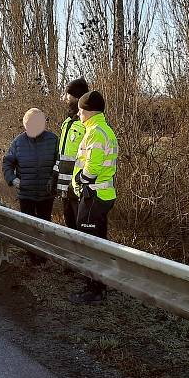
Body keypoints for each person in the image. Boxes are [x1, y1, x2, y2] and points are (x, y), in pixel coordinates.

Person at [70, 90, 118, 304]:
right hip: (101, 195)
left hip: (94, 196)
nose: (78, 114)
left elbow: (93, 166)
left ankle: (94, 290)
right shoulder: (103, 129)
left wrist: (81, 179)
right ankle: (98, 286)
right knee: (98, 242)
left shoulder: (95, 132)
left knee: (89, 243)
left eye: (80, 110)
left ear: (89, 111)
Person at [3, 108, 58, 221]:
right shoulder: (18, 142)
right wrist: (12, 179)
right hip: (26, 194)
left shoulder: (53, 140)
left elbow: (59, 163)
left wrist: (53, 180)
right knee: (28, 226)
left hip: (46, 194)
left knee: (45, 226)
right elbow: (7, 163)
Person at [53, 77, 89, 229]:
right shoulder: (67, 123)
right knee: (70, 227)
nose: (65, 98)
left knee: (82, 229)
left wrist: (81, 183)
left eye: (67, 94)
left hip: (79, 189)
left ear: (76, 97)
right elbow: (61, 154)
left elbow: (91, 157)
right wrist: (54, 176)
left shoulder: (87, 123)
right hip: (65, 189)